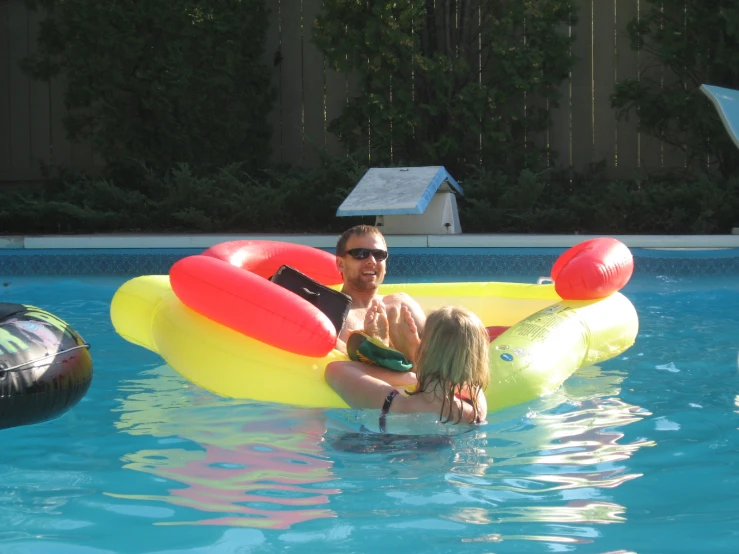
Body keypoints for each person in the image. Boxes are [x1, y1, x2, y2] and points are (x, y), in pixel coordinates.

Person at [325, 305, 489, 427]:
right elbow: (475, 387)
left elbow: (335, 369)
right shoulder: (474, 413)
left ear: (423, 350)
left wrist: (409, 375)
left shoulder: (391, 403)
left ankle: (404, 360)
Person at [335, 224, 427, 354]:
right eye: (360, 254)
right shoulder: (331, 315)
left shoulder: (403, 304)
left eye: (379, 255)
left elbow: (440, 355)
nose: (371, 261)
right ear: (340, 264)